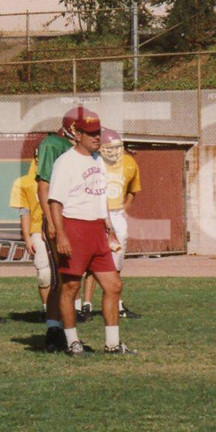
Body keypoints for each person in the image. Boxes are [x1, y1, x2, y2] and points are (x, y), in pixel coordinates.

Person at [46, 109, 135, 357]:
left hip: (96, 229)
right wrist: (61, 235)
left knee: (114, 285)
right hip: (74, 227)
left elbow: (101, 197)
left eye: (99, 133)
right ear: (77, 133)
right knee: (70, 287)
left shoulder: (98, 160)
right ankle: (73, 341)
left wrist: (109, 228)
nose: (97, 137)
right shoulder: (65, 162)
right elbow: (55, 202)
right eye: (92, 133)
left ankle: (113, 344)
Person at [33, 105, 86, 352]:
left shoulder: (82, 149)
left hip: (78, 219)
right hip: (60, 219)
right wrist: (51, 222)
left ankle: (65, 331)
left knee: (73, 277)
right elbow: (43, 186)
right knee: (60, 278)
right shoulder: (53, 144)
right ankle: (55, 330)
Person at [79, 128, 141, 321]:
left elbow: (133, 190)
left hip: (117, 215)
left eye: (117, 147)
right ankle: (87, 305)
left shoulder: (129, 163)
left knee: (117, 262)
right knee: (93, 261)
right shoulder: (94, 162)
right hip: (96, 215)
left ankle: (118, 304)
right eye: (110, 147)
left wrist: (125, 207)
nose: (114, 152)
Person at [9, 167, 52, 317]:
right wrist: (27, 238)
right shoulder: (25, 182)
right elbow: (24, 212)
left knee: (66, 272)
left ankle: (73, 308)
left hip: (63, 230)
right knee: (44, 273)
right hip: (38, 230)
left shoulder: (63, 174)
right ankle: (47, 309)